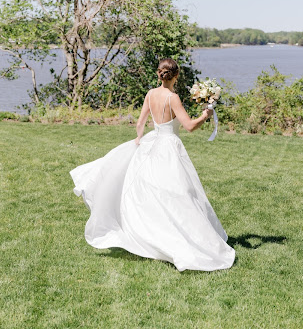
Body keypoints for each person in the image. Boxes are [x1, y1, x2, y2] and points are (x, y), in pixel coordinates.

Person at [70, 58, 235, 271]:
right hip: (169, 148)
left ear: (160, 74)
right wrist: (205, 114)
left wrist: (139, 140)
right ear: (176, 76)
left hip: (153, 142)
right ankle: (181, 238)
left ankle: (154, 234)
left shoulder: (150, 94)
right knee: (180, 193)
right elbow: (190, 126)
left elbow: (140, 122)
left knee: (155, 192)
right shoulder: (172, 98)